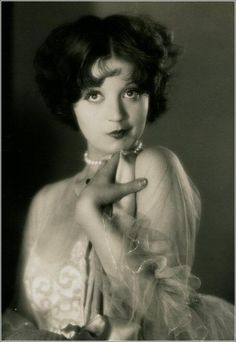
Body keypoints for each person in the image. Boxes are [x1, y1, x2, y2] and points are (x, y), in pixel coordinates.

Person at [2, 14, 234, 340]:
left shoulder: (152, 167)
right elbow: (20, 318)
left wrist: (92, 217)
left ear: (150, 94)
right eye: (94, 95)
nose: (116, 114)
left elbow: (166, 322)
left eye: (131, 92)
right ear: (70, 102)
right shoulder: (45, 200)